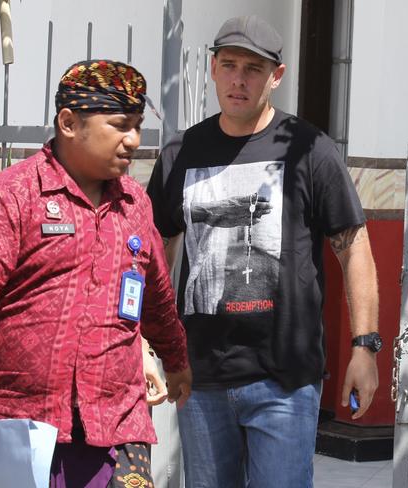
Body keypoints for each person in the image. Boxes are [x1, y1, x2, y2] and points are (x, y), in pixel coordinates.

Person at [146, 15, 380, 488]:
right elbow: (152, 254)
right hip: (200, 374)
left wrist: (365, 347)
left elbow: (354, 247)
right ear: (212, 68)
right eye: (228, 65)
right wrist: (149, 346)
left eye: (253, 69)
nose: (238, 79)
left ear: (277, 76)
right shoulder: (180, 154)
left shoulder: (310, 150)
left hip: (285, 380)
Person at [0, 59, 192, 488]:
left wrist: (177, 359)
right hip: (26, 429)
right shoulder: (8, 198)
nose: (133, 140)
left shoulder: (135, 204)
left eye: (137, 126)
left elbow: (157, 294)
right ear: (69, 123)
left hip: (117, 424)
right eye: (120, 125)